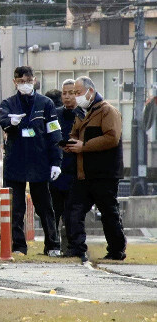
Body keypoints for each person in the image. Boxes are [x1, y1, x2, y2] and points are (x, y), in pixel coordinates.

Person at [0, 66, 62, 257]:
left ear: (34, 80)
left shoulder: (46, 104)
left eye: (28, 81)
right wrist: (12, 122)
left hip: (39, 161)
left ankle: (53, 245)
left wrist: (56, 162)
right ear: (14, 82)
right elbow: (3, 120)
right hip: (15, 162)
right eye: (20, 81)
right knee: (16, 209)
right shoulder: (8, 103)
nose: (24, 84)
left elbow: (54, 133)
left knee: (45, 207)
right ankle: (19, 247)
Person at [62, 76, 126, 262]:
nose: (75, 96)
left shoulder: (108, 111)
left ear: (90, 91)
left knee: (108, 213)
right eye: (73, 92)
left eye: (78, 92)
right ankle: (76, 249)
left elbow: (111, 138)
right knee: (73, 210)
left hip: (104, 174)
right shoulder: (82, 112)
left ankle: (116, 250)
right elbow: (74, 134)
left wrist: (84, 145)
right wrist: (70, 143)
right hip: (83, 174)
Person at [49, 80, 84, 253]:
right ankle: (52, 246)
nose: (67, 97)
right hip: (56, 172)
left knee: (73, 214)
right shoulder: (54, 115)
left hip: (76, 172)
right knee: (53, 211)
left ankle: (72, 247)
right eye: (64, 93)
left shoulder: (84, 115)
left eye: (71, 93)